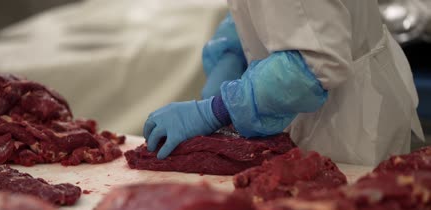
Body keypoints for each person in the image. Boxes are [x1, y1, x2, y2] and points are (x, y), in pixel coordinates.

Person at [143, 0, 424, 166]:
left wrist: (217, 110)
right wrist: (233, 47)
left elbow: (315, 62)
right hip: (316, 102)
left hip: (347, 120)